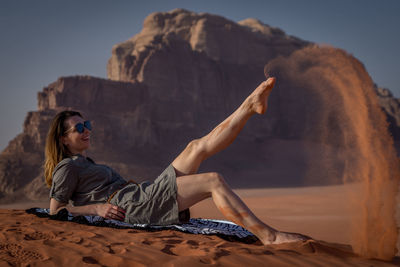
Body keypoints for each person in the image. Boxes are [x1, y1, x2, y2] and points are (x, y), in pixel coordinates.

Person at [45, 77, 310, 245]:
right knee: (213, 180)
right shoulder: (66, 167)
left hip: (139, 195)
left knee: (195, 147)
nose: (87, 130)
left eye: (87, 124)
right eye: (79, 128)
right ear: (63, 140)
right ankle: (268, 236)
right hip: (131, 206)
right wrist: (96, 209)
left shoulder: (85, 162)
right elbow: (55, 211)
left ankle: (249, 106)